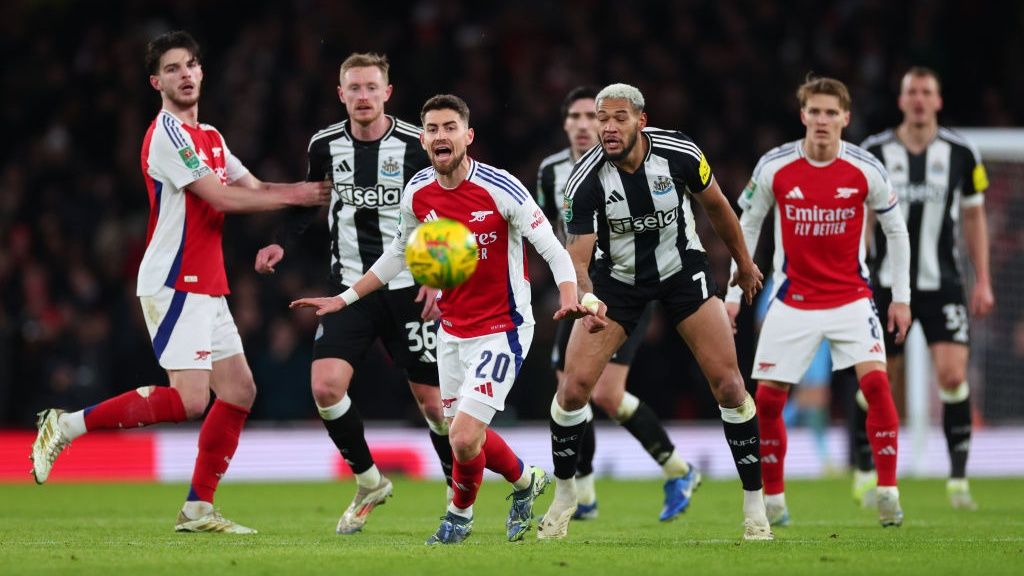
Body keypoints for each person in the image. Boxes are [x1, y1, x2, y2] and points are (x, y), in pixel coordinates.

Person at [29, 30, 330, 533]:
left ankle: (197, 509)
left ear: (202, 72)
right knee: (192, 400)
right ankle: (64, 425)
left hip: (206, 282)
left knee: (238, 390)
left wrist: (317, 191)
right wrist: (299, 196)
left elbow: (256, 187)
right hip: (173, 280)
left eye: (191, 64)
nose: (185, 74)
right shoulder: (165, 135)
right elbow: (224, 199)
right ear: (156, 81)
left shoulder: (211, 136)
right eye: (173, 69)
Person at [291, 94, 594, 545]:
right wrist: (346, 298)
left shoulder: (501, 187)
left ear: (467, 137)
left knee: (465, 435)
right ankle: (526, 482)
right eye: (431, 129)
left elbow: (552, 247)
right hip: (451, 330)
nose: (440, 136)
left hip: (503, 327)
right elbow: (399, 252)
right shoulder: (417, 191)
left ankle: (458, 518)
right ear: (424, 138)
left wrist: (569, 295)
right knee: (461, 436)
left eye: (450, 127)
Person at [538, 83, 773, 542]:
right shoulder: (582, 181)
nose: (607, 126)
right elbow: (578, 258)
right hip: (617, 284)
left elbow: (719, 208)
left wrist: (744, 264)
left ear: (641, 120)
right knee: (573, 391)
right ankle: (566, 495)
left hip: (682, 272)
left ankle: (755, 506)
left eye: (618, 117)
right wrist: (586, 298)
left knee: (729, 385)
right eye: (602, 118)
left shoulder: (680, 153)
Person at [253, 53, 454, 535]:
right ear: (341, 94)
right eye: (354, 88)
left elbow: (446, 204)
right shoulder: (324, 144)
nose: (363, 96)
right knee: (324, 387)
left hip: (409, 288)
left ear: (388, 92)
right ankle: (369, 481)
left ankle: (457, 493)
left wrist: (436, 272)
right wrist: (282, 237)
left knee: (432, 403)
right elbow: (314, 200)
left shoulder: (414, 142)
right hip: (348, 289)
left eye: (371, 87)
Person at [724, 76, 912, 528]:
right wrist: (732, 295)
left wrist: (901, 298)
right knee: (766, 401)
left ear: (845, 118)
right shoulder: (775, 166)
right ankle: (774, 498)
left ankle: (887, 489)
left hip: (852, 297)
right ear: (802, 115)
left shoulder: (866, 168)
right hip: (792, 301)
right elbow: (746, 226)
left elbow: (897, 231)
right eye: (815, 111)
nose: (823, 120)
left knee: (877, 387)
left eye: (832, 113)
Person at [537, 86, 697, 522]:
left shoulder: (636, 162)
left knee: (596, 390)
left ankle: (597, 489)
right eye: (577, 116)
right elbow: (548, 230)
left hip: (622, 287)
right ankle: (607, 487)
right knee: (581, 389)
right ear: (567, 124)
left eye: (596, 116)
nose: (588, 124)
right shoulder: (553, 172)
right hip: (579, 284)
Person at [853, 66, 993, 511]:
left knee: (952, 375)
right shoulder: (874, 152)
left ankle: (957, 481)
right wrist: (855, 273)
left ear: (938, 101)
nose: (918, 99)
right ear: (900, 101)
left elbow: (973, 217)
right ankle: (864, 467)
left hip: (942, 283)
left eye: (925, 92)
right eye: (910, 91)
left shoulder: (962, 153)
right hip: (886, 284)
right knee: (880, 382)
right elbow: (863, 218)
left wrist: (983, 279)